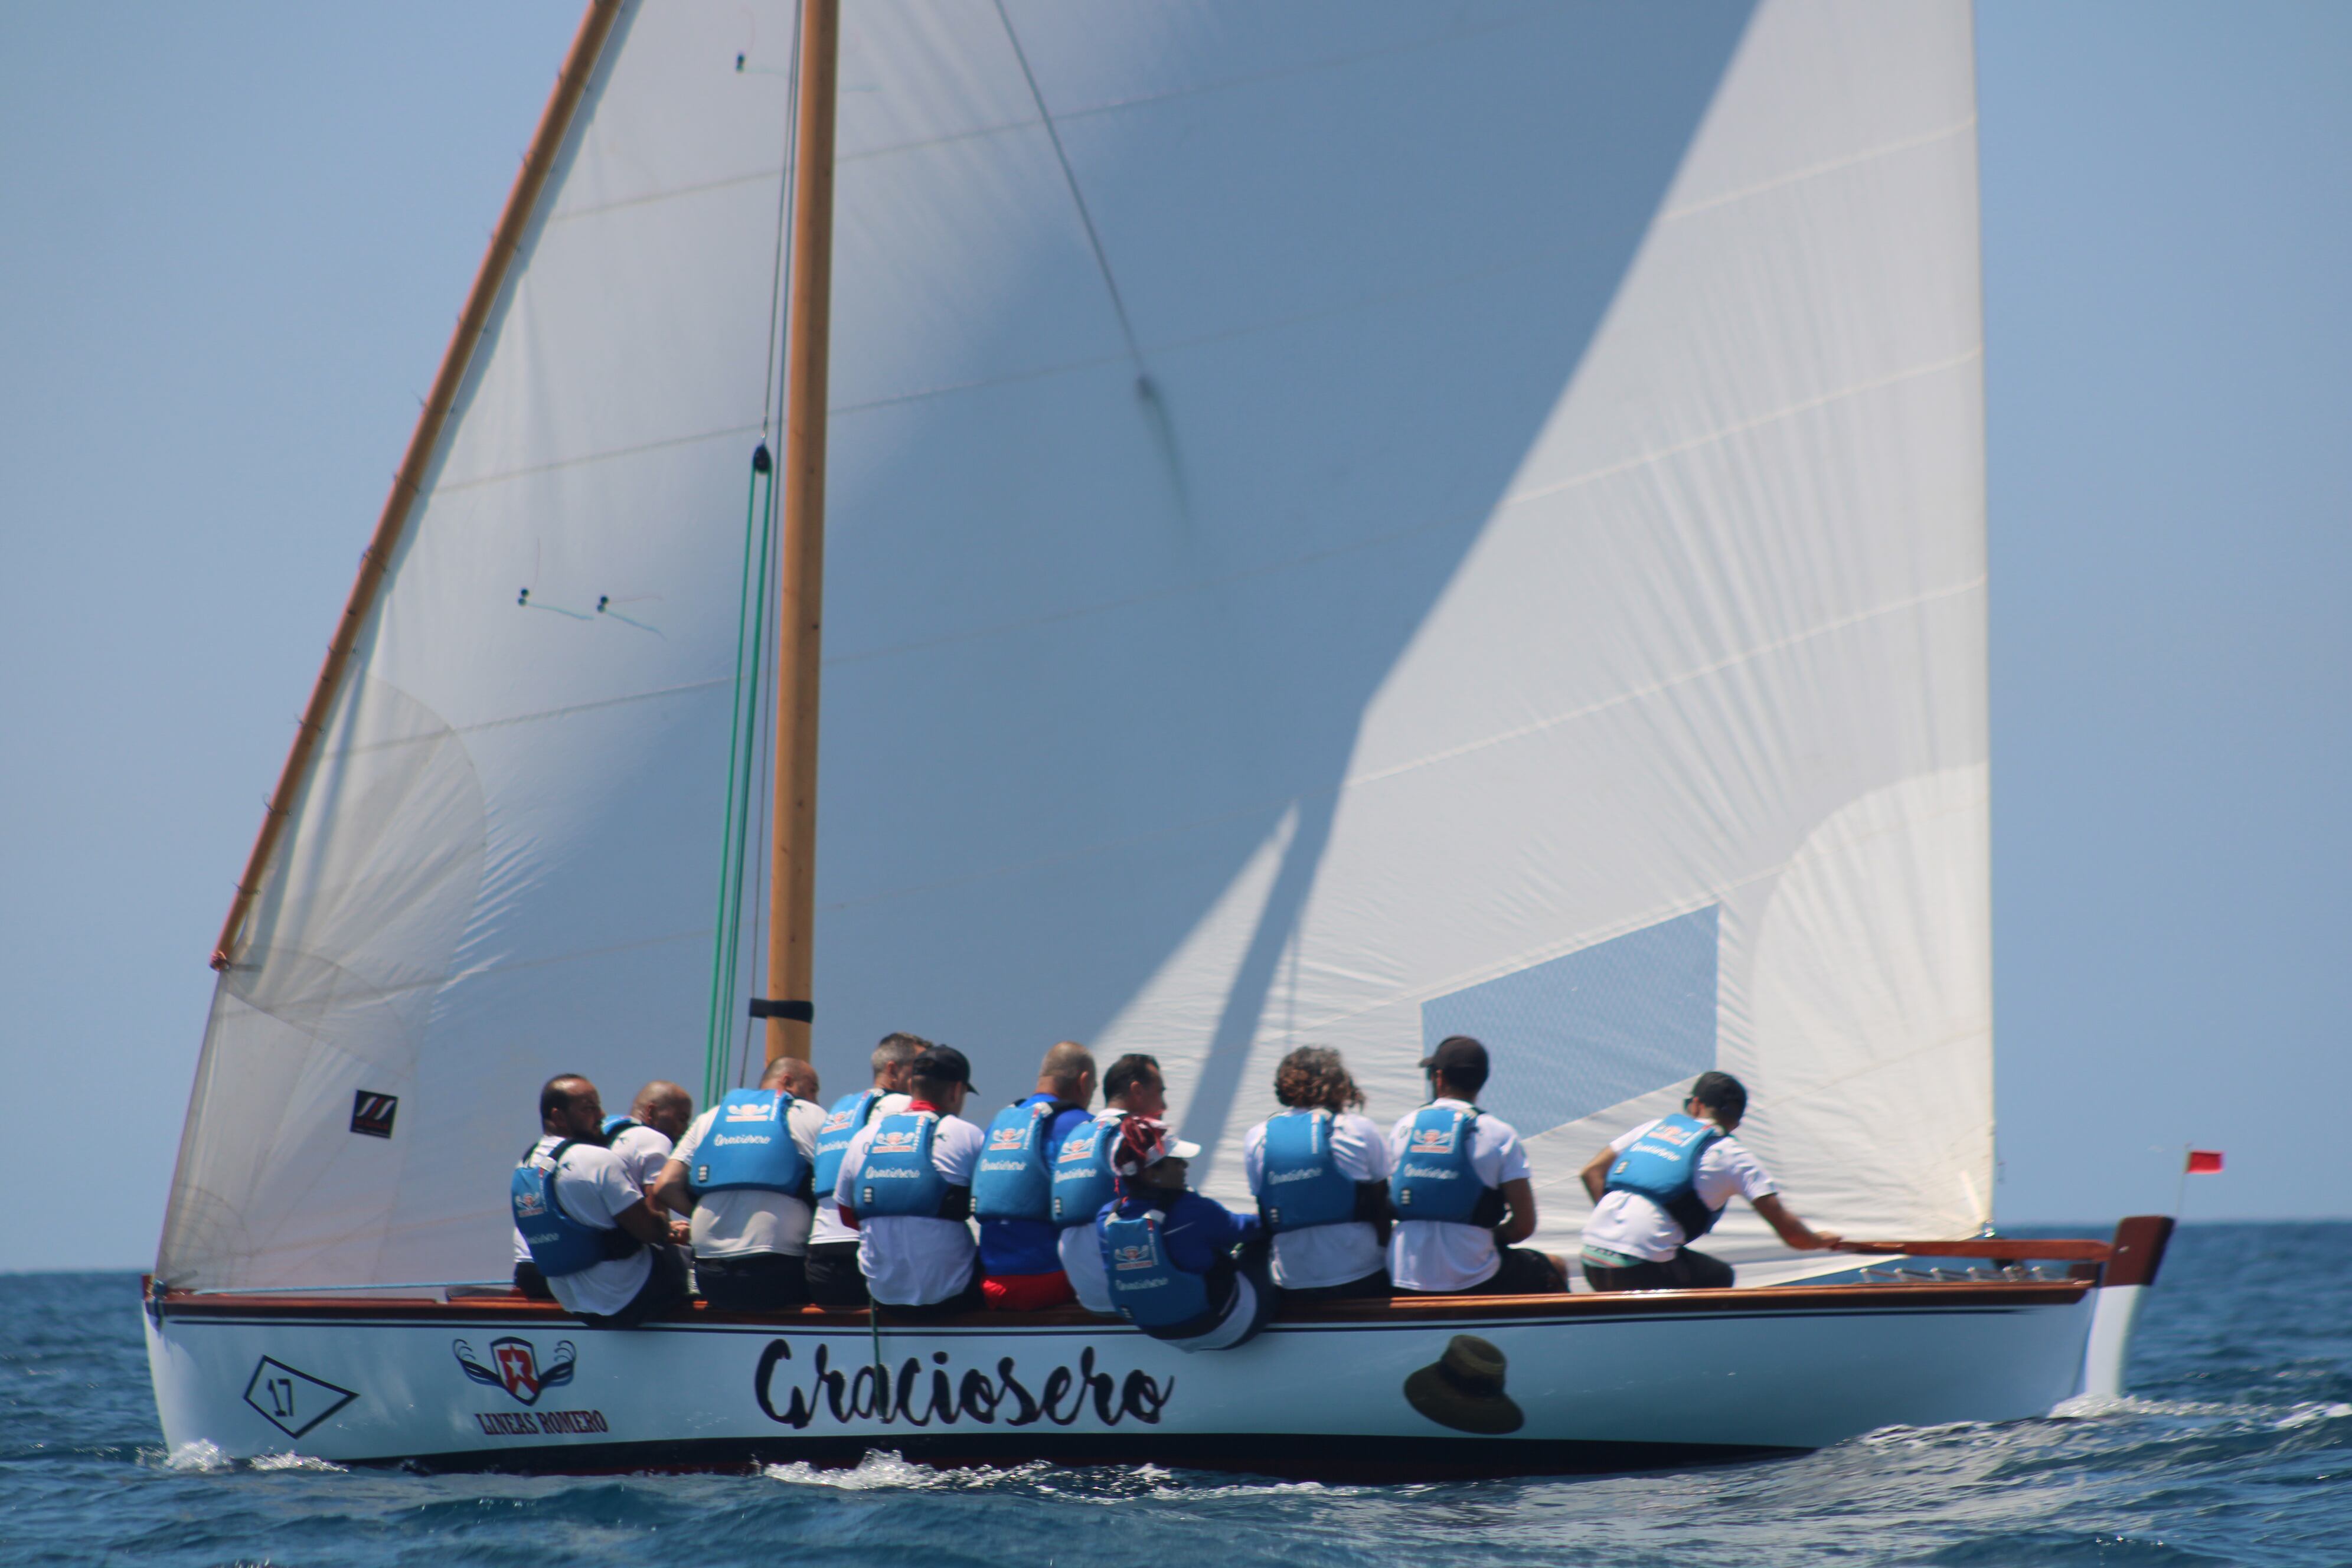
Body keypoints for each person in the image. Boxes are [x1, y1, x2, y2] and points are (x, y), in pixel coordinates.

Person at [1577, 1070, 1841, 1291]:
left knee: (1679, 1262)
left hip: (1591, 1258)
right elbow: (1794, 1236)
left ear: (1695, 1105)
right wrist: (1820, 1241)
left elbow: (1591, 1172)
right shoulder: (1735, 1155)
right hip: (1641, 1268)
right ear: (1736, 1123)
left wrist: (1618, 1223)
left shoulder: (1653, 1127)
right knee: (1719, 1277)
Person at [1387, 1036, 1565, 1295]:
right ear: (1482, 1080)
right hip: (1476, 1277)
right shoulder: (1500, 1135)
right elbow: (1524, 1226)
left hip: (1405, 1276)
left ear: (1438, 1078)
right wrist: (1492, 1237)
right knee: (1555, 1267)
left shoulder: (1403, 1127)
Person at [509, 1073, 688, 1328]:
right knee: (691, 1258)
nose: (602, 1115)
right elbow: (649, 1231)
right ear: (559, 1116)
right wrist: (667, 1227)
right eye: (589, 1109)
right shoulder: (596, 1160)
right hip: (626, 1300)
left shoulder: (525, 1164)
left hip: (572, 1303)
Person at [650, 1057, 827, 1312]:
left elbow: (666, 1185)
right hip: (777, 1276)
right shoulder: (807, 1114)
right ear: (788, 1082)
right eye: (812, 1089)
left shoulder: (710, 1118)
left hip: (711, 1278)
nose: (815, 1099)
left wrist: (704, 1213)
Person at [831, 1043, 986, 1316]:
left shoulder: (865, 1136)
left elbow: (845, 1214)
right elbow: (991, 1205)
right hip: (952, 1295)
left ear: (913, 1085)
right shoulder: (967, 1134)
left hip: (884, 1295)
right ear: (956, 1090)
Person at [1096, 1116, 1270, 1352]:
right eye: (1176, 1161)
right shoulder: (1192, 1209)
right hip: (1221, 1328)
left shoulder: (1106, 1218)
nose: (1185, 1166)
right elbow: (1253, 1228)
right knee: (1258, 1247)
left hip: (1159, 1333)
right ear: (1152, 1174)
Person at [1244, 1046, 1393, 1301]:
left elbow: (1265, 1206)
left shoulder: (1258, 1137)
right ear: (1338, 1083)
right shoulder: (1358, 1129)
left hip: (1293, 1281)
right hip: (1361, 1275)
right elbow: (1383, 1205)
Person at [973, 1042, 1099, 1310]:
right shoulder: (1083, 1126)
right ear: (1084, 1082)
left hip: (993, 1282)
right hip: (1050, 1282)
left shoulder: (999, 1123)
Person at [805, 1033, 922, 1307]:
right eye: (920, 1070)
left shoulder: (838, 1111)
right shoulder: (905, 1108)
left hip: (820, 1257)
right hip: (866, 1254)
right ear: (893, 1070)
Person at [1055, 1053, 1164, 1317]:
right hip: (1128, 1285)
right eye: (1161, 1093)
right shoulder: (1137, 1134)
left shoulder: (1076, 1135)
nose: (1164, 1105)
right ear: (1137, 1091)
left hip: (1086, 1290)